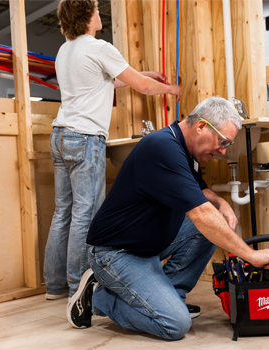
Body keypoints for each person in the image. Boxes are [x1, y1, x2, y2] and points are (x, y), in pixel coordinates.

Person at [66, 96, 269, 339]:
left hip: (147, 243)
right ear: (201, 126)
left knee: (214, 224)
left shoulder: (184, 148)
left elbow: (199, 190)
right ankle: (98, 295)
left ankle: (170, 295)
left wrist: (221, 202)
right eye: (222, 141)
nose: (223, 150)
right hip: (116, 252)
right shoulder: (161, 147)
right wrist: (251, 255)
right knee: (175, 324)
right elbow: (200, 214)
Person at [44, 0, 181, 300]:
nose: (97, 13)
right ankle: (76, 288)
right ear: (87, 16)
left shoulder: (66, 49)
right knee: (85, 213)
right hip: (85, 137)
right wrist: (173, 90)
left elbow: (103, 81)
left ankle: (54, 286)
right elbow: (141, 88)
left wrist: (145, 73)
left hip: (60, 134)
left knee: (63, 212)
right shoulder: (99, 47)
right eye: (94, 8)